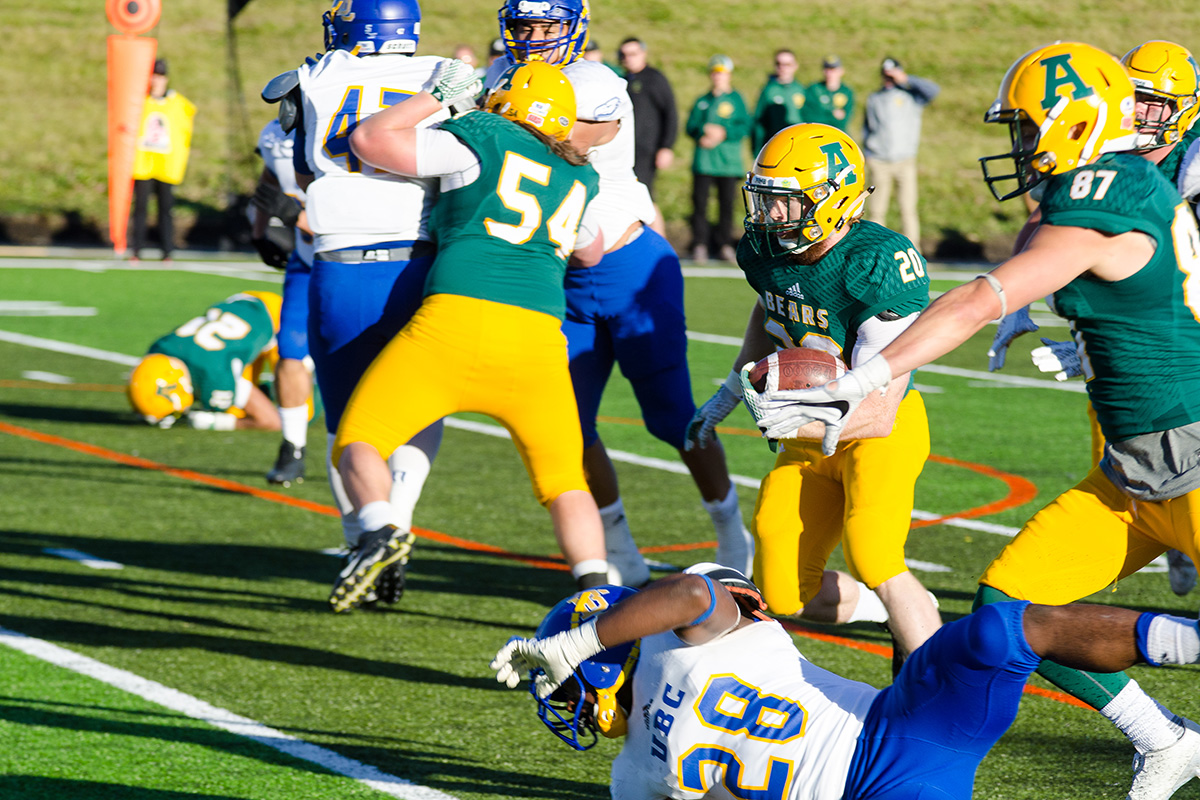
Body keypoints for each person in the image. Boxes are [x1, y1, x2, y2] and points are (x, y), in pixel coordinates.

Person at [748, 42, 1200, 799]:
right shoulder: (1113, 183)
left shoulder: (1109, 193)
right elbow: (1059, 251)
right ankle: (1165, 739)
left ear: (1072, 121)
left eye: (1026, 128)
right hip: (1133, 471)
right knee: (1008, 612)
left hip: (1188, 450)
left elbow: (974, 297)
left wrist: (872, 372)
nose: (1019, 145)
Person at [491, 566, 1200, 798]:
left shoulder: (682, 635)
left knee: (997, 629)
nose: (573, 705)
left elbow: (686, 594)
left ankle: (1188, 644)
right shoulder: (628, 781)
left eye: (570, 685)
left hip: (897, 726)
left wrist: (578, 641)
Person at [485, 0, 754, 585]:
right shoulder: (497, 81)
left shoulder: (594, 83)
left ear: (573, 27)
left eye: (546, 27)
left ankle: (732, 526)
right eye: (523, 26)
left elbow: (542, 152)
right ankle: (620, 550)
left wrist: (481, 116)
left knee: (673, 417)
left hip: (628, 266)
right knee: (570, 426)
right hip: (559, 277)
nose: (533, 38)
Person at [331, 61, 611, 612]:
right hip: (536, 341)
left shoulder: (481, 136)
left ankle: (381, 528)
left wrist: (436, 97)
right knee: (563, 481)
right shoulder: (579, 174)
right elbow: (591, 250)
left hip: (453, 322)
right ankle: (597, 591)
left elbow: (368, 139)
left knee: (359, 438)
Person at [686, 122, 941, 666]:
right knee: (779, 591)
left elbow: (878, 408)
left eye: (786, 201)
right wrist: (733, 388)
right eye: (766, 199)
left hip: (878, 433)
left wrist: (788, 419)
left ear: (832, 197)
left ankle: (933, 688)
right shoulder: (763, 248)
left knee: (874, 553)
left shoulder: (878, 261)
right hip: (806, 427)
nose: (770, 215)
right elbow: (771, 306)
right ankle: (891, 609)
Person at [985, 39, 1200, 597]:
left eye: (1156, 104)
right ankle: (1165, 533)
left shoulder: (1191, 164)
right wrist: (1022, 291)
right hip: (1148, 394)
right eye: (1135, 99)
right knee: (1116, 417)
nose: (1141, 114)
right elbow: (1047, 215)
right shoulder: (1109, 154)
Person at [281, 0, 466, 609]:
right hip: (424, 257)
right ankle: (400, 515)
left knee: (346, 421)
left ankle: (367, 532)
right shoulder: (446, 72)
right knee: (418, 405)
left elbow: (303, 167)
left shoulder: (318, 73)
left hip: (342, 263)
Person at [250, 118, 316, 487]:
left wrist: (295, 216)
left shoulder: (356, 131)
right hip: (307, 262)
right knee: (290, 352)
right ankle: (293, 446)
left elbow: (361, 215)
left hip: (357, 267)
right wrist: (260, 231)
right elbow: (270, 181)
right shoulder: (277, 134)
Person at [127, 291, 283, 432]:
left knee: (299, 411)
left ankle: (270, 391)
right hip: (240, 305)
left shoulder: (215, 375)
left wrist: (216, 423)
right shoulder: (160, 348)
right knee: (235, 411)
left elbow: (271, 421)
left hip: (276, 317)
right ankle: (266, 391)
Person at [861, 56, 938, 247]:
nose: (889, 79)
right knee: (877, 210)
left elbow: (933, 90)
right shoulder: (875, 98)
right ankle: (876, 249)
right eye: (886, 75)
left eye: (892, 74)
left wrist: (905, 79)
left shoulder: (911, 96)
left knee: (908, 209)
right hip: (880, 161)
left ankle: (914, 250)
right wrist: (867, 154)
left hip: (905, 160)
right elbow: (867, 128)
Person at [686, 55, 751, 264]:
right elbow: (690, 126)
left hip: (728, 163)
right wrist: (702, 131)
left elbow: (744, 127)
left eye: (722, 73)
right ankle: (700, 244)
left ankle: (724, 244)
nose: (718, 77)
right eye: (715, 73)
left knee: (726, 205)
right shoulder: (703, 100)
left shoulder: (736, 100)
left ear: (729, 75)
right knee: (700, 205)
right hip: (704, 161)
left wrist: (723, 132)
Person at [130, 58, 196, 263]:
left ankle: (167, 250)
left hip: (167, 164)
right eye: (154, 75)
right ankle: (136, 250)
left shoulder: (177, 103)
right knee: (140, 207)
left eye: (160, 76)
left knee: (166, 209)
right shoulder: (140, 101)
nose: (156, 80)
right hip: (143, 162)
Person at [618, 38, 678, 197]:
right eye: (623, 54)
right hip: (626, 149)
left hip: (646, 150)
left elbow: (670, 112)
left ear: (643, 54)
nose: (628, 58)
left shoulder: (654, 79)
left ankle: (652, 223)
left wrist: (666, 147)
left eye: (632, 53)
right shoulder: (623, 80)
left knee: (643, 197)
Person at [751, 48, 806, 155]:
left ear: (795, 66)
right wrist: (758, 150)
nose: (782, 68)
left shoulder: (801, 90)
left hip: (798, 145)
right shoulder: (768, 91)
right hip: (774, 146)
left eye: (787, 64)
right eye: (779, 64)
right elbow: (758, 122)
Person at [805, 54, 855, 132]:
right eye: (827, 69)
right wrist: (832, 114)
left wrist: (823, 112)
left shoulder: (847, 92)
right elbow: (810, 118)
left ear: (841, 71)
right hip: (817, 133)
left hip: (838, 135)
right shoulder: (814, 89)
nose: (830, 73)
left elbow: (843, 122)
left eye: (833, 69)